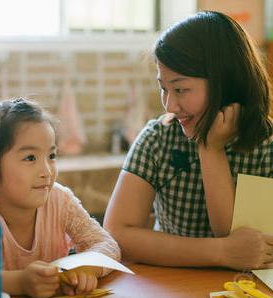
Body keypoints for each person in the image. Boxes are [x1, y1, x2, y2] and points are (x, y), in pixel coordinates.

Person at [104, 11, 273, 271]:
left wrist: (211, 148)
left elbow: (247, 246)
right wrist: (221, 253)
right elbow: (117, 233)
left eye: (181, 89)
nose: (170, 105)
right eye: (164, 88)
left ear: (224, 84)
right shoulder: (158, 138)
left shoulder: (266, 146)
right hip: (172, 291)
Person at [0, 98, 120, 298]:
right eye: (30, 158)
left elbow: (107, 244)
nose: (46, 171)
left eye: (51, 156)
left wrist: (86, 268)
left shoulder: (60, 200)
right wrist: (19, 282)